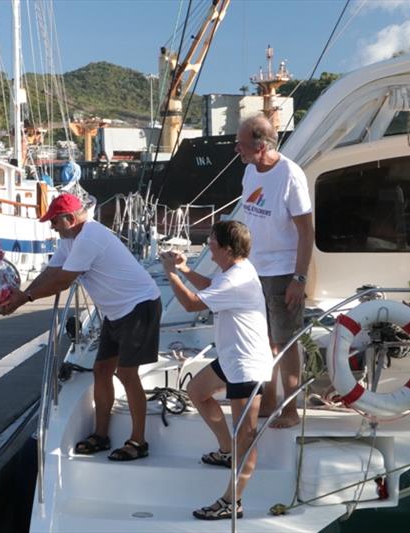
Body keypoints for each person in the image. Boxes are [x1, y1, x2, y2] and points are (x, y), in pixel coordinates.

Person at [1, 193, 161, 461]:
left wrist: (25, 298)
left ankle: (138, 441)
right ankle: (101, 434)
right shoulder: (70, 238)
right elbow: (51, 272)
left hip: (139, 306)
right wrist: (22, 294)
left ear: (70, 218)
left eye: (54, 221)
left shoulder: (89, 237)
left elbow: (63, 281)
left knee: (126, 373)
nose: (51, 226)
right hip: (116, 311)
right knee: (101, 370)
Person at [160, 220, 272, 521]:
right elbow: (212, 289)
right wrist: (184, 270)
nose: (208, 248)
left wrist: (171, 274)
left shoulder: (236, 278)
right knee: (196, 392)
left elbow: (192, 304)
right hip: (232, 358)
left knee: (245, 437)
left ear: (226, 249)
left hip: (247, 366)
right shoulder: (236, 271)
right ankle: (226, 450)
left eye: (211, 244)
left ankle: (231, 501)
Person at [235, 115, 314, 429]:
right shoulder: (249, 170)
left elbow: (306, 232)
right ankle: (268, 400)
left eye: (240, 143)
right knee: (264, 340)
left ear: (261, 145)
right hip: (254, 270)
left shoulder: (290, 175)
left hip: (283, 272)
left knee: (286, 341)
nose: (236, 149)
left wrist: (299, 278)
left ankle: (291, 409)